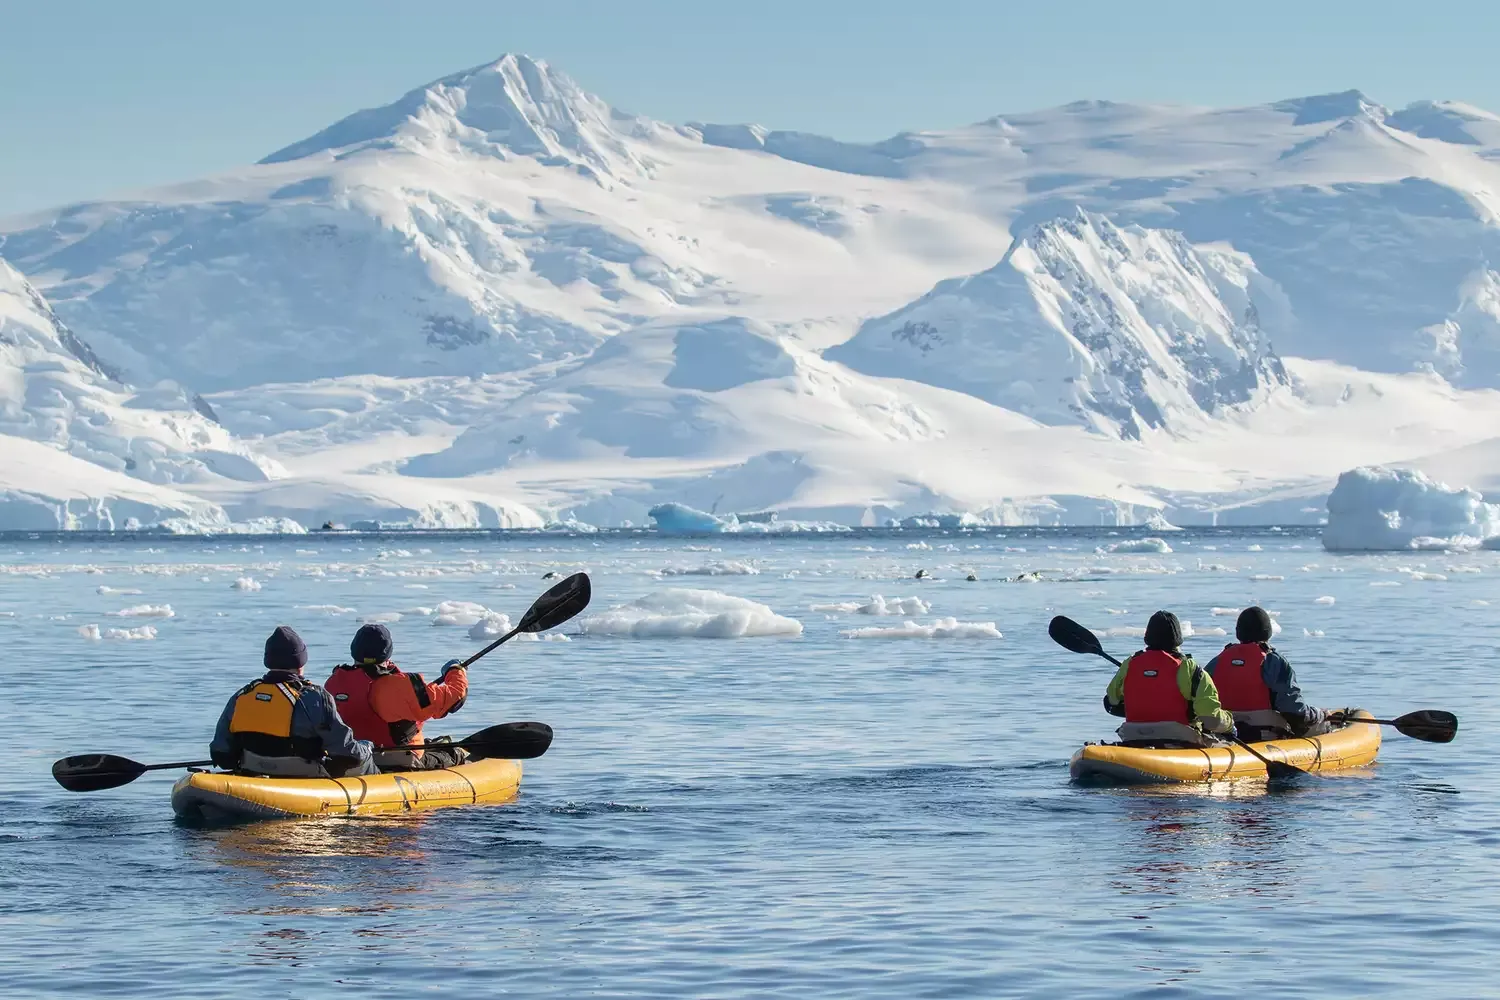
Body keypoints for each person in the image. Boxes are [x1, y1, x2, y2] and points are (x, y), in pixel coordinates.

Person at [210, 625, 376, 777]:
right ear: (300, 662)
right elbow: (346, 753)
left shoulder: (242, 695)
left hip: (253, 771)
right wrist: (366, 748)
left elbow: (221, 754)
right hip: (304, 776)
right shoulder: (315, 697)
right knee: (364, 756)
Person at [325, 623, 470, 771]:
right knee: (453, 753)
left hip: (355, 759)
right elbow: (455, 698)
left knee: (433, 744)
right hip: (399, 761)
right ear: (387, 653)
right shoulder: (398, 686)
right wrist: (455, 670)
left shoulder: (333, 683)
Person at [1104, 611, 1235, 747]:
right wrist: (1230, 724)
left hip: (1133, 738)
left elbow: (1111, 701)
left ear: (1148, 636)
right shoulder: (1190, 669)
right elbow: (1211, 719)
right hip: (1180, 740)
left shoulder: (1130, 664)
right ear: (1177, 638)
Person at [1206, 607, 1338, 742]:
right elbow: (1293, 711)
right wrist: (1319, 715)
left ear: (1239, 633)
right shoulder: (1274, 662)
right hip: (1265, 733)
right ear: (1267, 633)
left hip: (1227, 732)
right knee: (1324, 725)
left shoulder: (1217, 661)